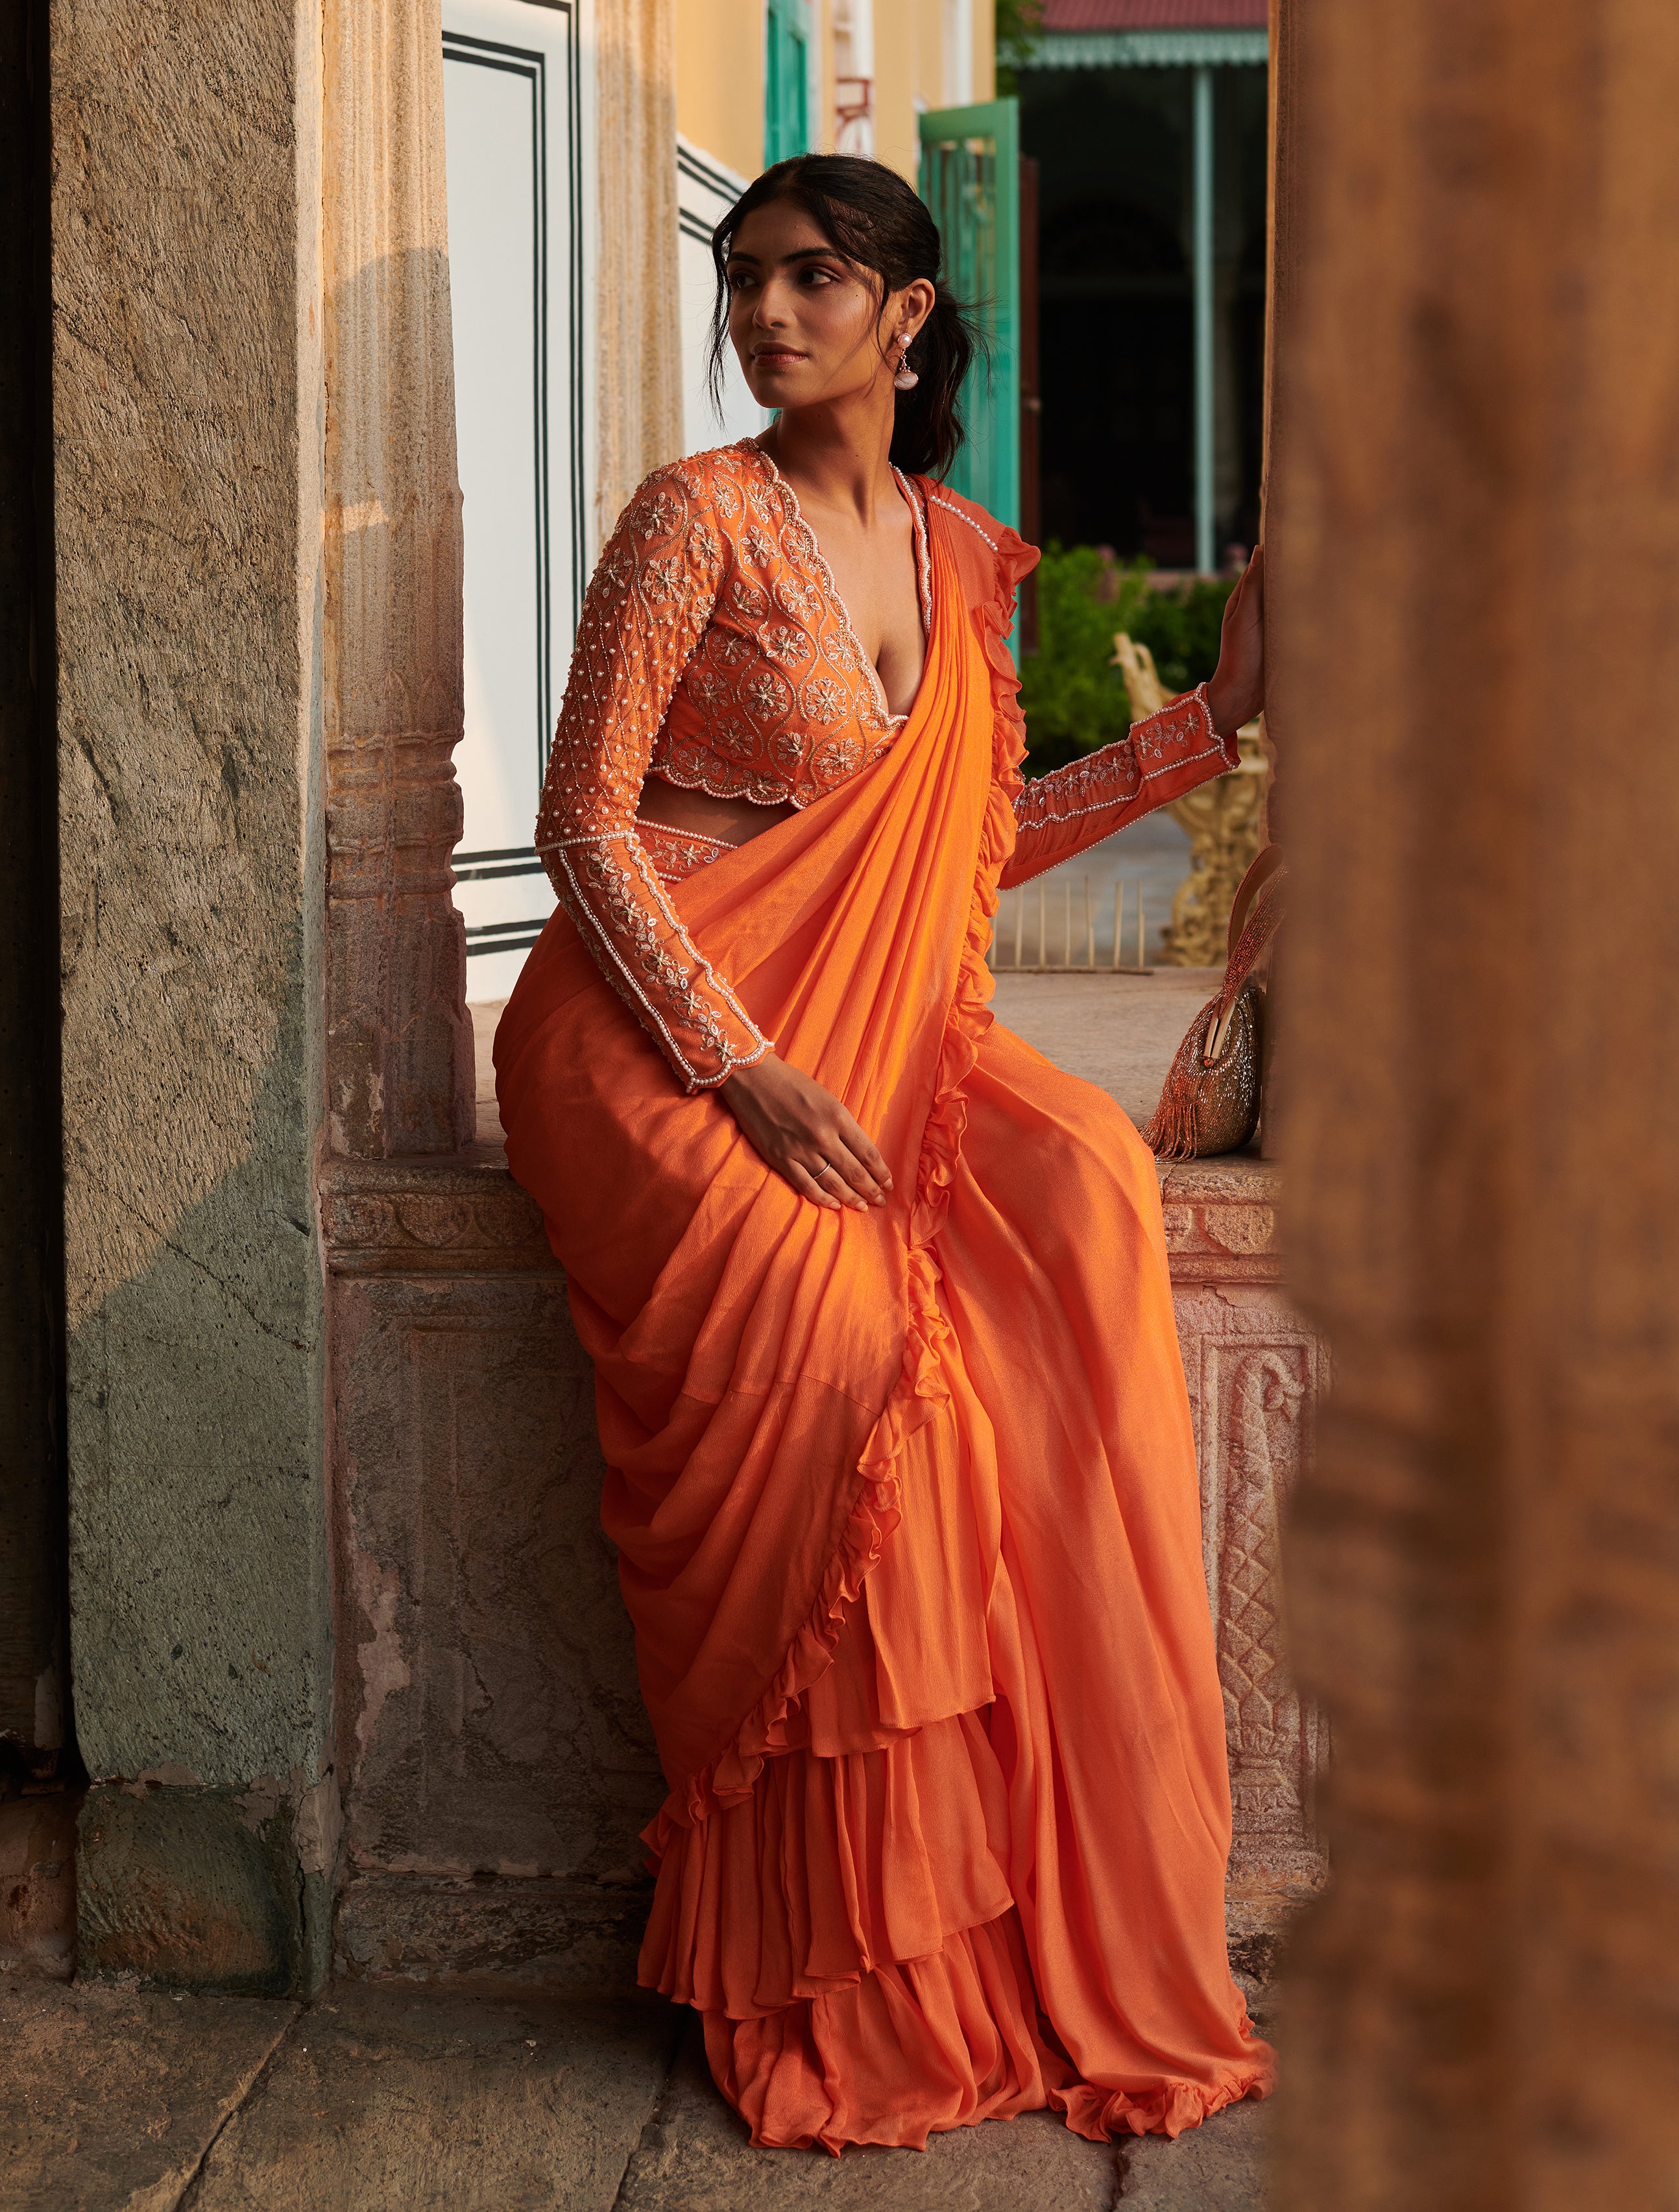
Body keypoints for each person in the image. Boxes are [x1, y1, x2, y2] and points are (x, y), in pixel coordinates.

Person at [494, 156, 1273, 2155]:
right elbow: (583, 824)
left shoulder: (952, 553)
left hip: (873, 1025)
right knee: (863, 1370)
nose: (767, 312)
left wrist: (1211, 727)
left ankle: (1032, 1927)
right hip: (659, 1035)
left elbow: (971, 835)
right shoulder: (695, 516)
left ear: (909, 315)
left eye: (814, 276)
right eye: (745, 277)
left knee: (1091, 1182)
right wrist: (740, 1066)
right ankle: (842, 1975)